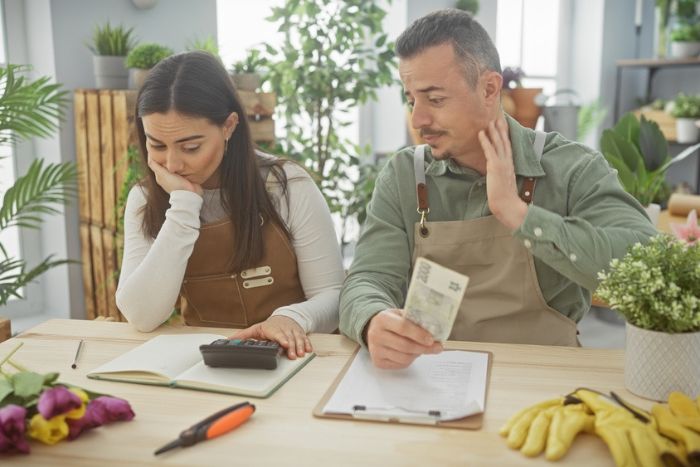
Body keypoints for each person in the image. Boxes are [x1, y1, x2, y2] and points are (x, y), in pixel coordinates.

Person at [339, 9, 657, 369]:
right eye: (412, 99)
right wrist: (372, 320)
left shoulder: (573, 168)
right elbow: (368, 277)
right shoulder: (404, 175)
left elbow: (646, 262)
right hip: (434, 376)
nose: (418, 120)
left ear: (489, 88)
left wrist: (518, 214)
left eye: (435, 99)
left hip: (547, 379)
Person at [116, 51, 345, 359]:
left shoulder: (288, 185)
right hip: (205, 361)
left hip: (294, 357)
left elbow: (333, 295)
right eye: (156, 145)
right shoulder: (145, 199)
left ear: (229, 126)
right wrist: (183, 205)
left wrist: (292, 318)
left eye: (191, 147)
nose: (172, 164)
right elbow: (142, 316)